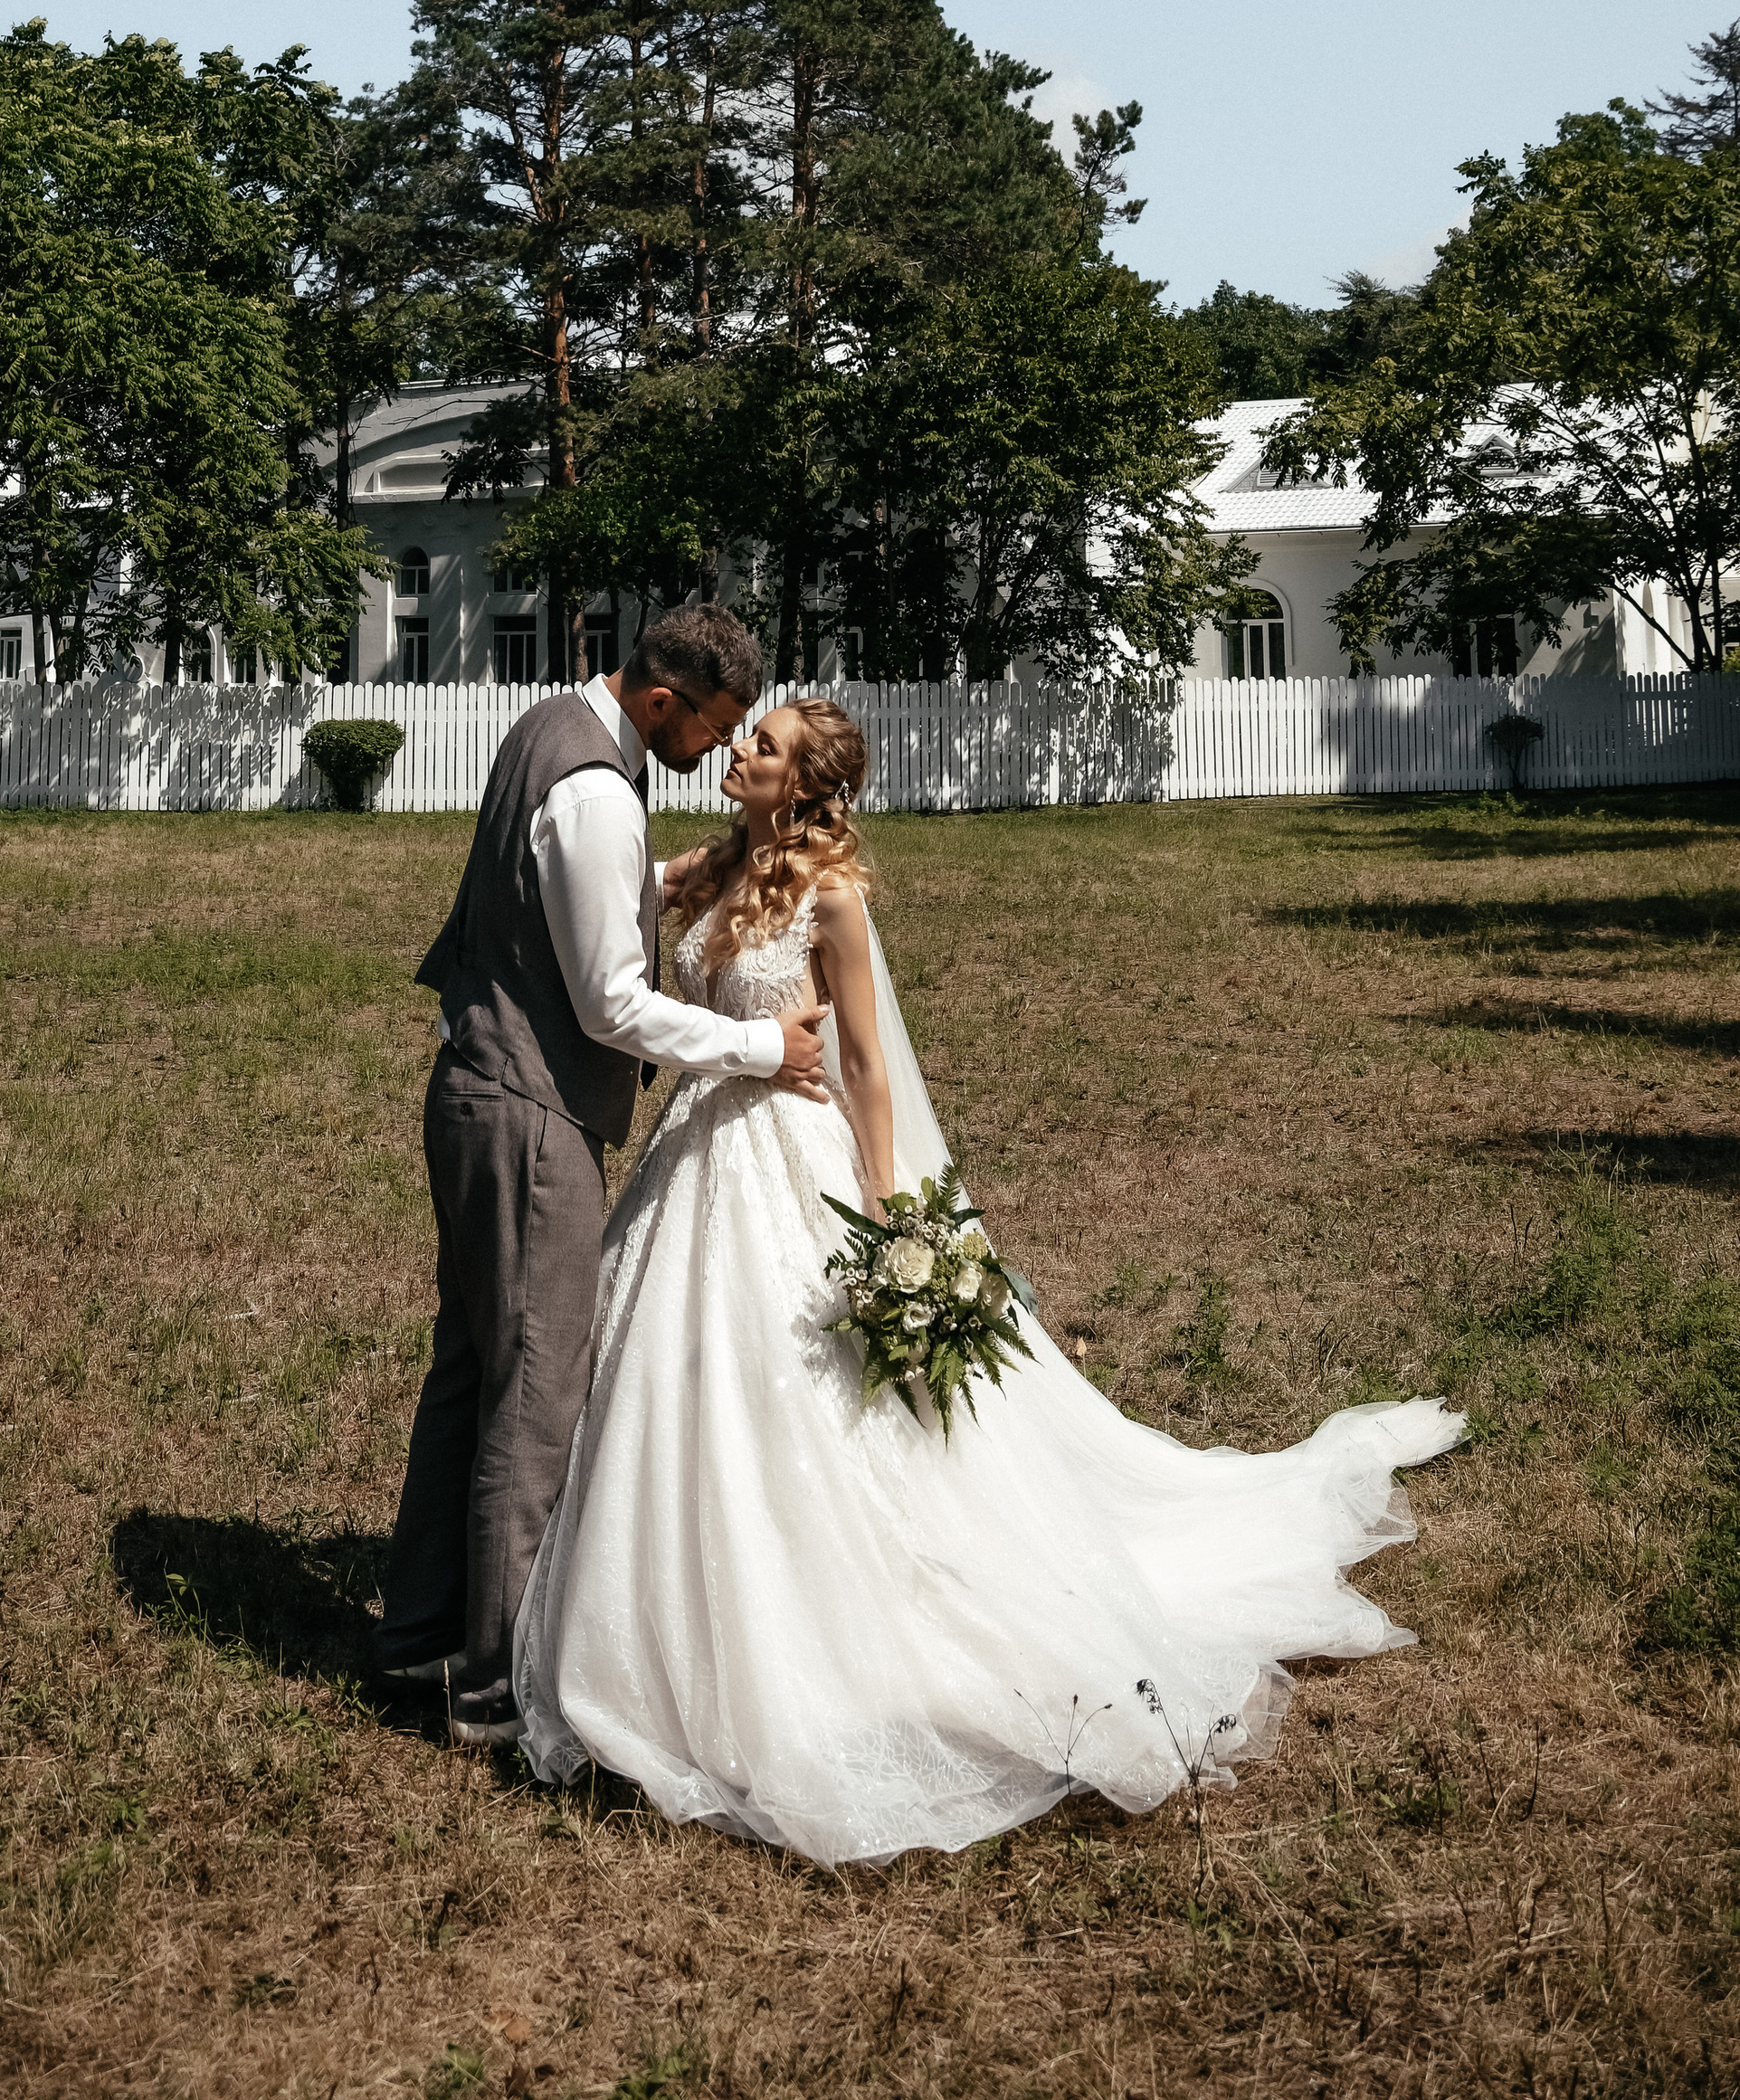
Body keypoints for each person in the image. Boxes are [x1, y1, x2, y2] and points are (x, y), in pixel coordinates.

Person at [512, 695, 1465, 1867]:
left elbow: (866, 1065)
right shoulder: (703, 873)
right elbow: (591, 899)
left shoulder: (834, 897)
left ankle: (827, 1626)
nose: (738, 752)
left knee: (807, 1399)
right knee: (676, 1384)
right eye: (743, 735)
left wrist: (883, 1216)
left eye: (761, 746)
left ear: (805, 789)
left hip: (795, 1159)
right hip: (696, 1152)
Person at [370, 603, 835, 1749]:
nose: (717, 752)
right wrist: (762, 1049)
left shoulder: (552, 729)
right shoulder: (592, 790)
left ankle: (418, 1636)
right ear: (663, 700)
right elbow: (610, 1004)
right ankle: (494, 1689)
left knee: (470, 1371)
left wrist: (661, 873)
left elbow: (566, 897)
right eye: (713, 726)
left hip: (478, 1083)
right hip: (527, 1113)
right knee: (536, 1393)